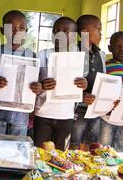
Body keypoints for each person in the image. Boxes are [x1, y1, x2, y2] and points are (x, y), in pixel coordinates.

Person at [33, 17, 87, 151]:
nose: (59, 34)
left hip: (65, 115)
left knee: (60, 155)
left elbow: (81, 84)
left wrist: (84, 84)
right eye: (55, 30)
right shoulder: (42, 54)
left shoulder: (78, 58)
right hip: (43, 113)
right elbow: (33, 83)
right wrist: (41, 85)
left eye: (65, 32)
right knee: (39, 153)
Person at [0, 10, 42, 136]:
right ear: (2, 30)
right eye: (11, 28)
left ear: (26, 31)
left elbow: (35, 86)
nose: (16, 32)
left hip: (20, 115)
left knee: (17, 148)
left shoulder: (32, 57)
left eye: (21, 28)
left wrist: (38, 88)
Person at [70, 15, 105, 150]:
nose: (101, 33)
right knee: (74, 142)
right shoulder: (74, 51)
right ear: (84, 33)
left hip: (95, 109)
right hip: (77, 108)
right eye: (97, 29)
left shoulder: (100, 54)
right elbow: (68, 80)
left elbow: (103, 79)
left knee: (92, 144)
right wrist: (81, 95)